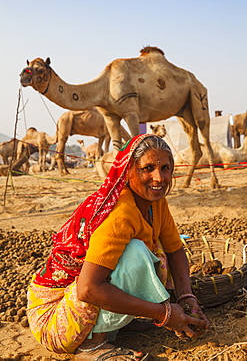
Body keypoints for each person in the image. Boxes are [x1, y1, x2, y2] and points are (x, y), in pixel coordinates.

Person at [27, 134, 209, 361]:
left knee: (158, 251)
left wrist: (186, 298)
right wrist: (165, 314)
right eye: (148, 168)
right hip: (55, 318)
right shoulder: (120, 212)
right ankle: (92, 344)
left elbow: (175, 250)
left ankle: (117, 324)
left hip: (78, 303)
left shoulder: (155, 202)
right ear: (129, 171)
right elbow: (87, 289)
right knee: (134, 254)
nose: (159, 177)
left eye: (165, 168)